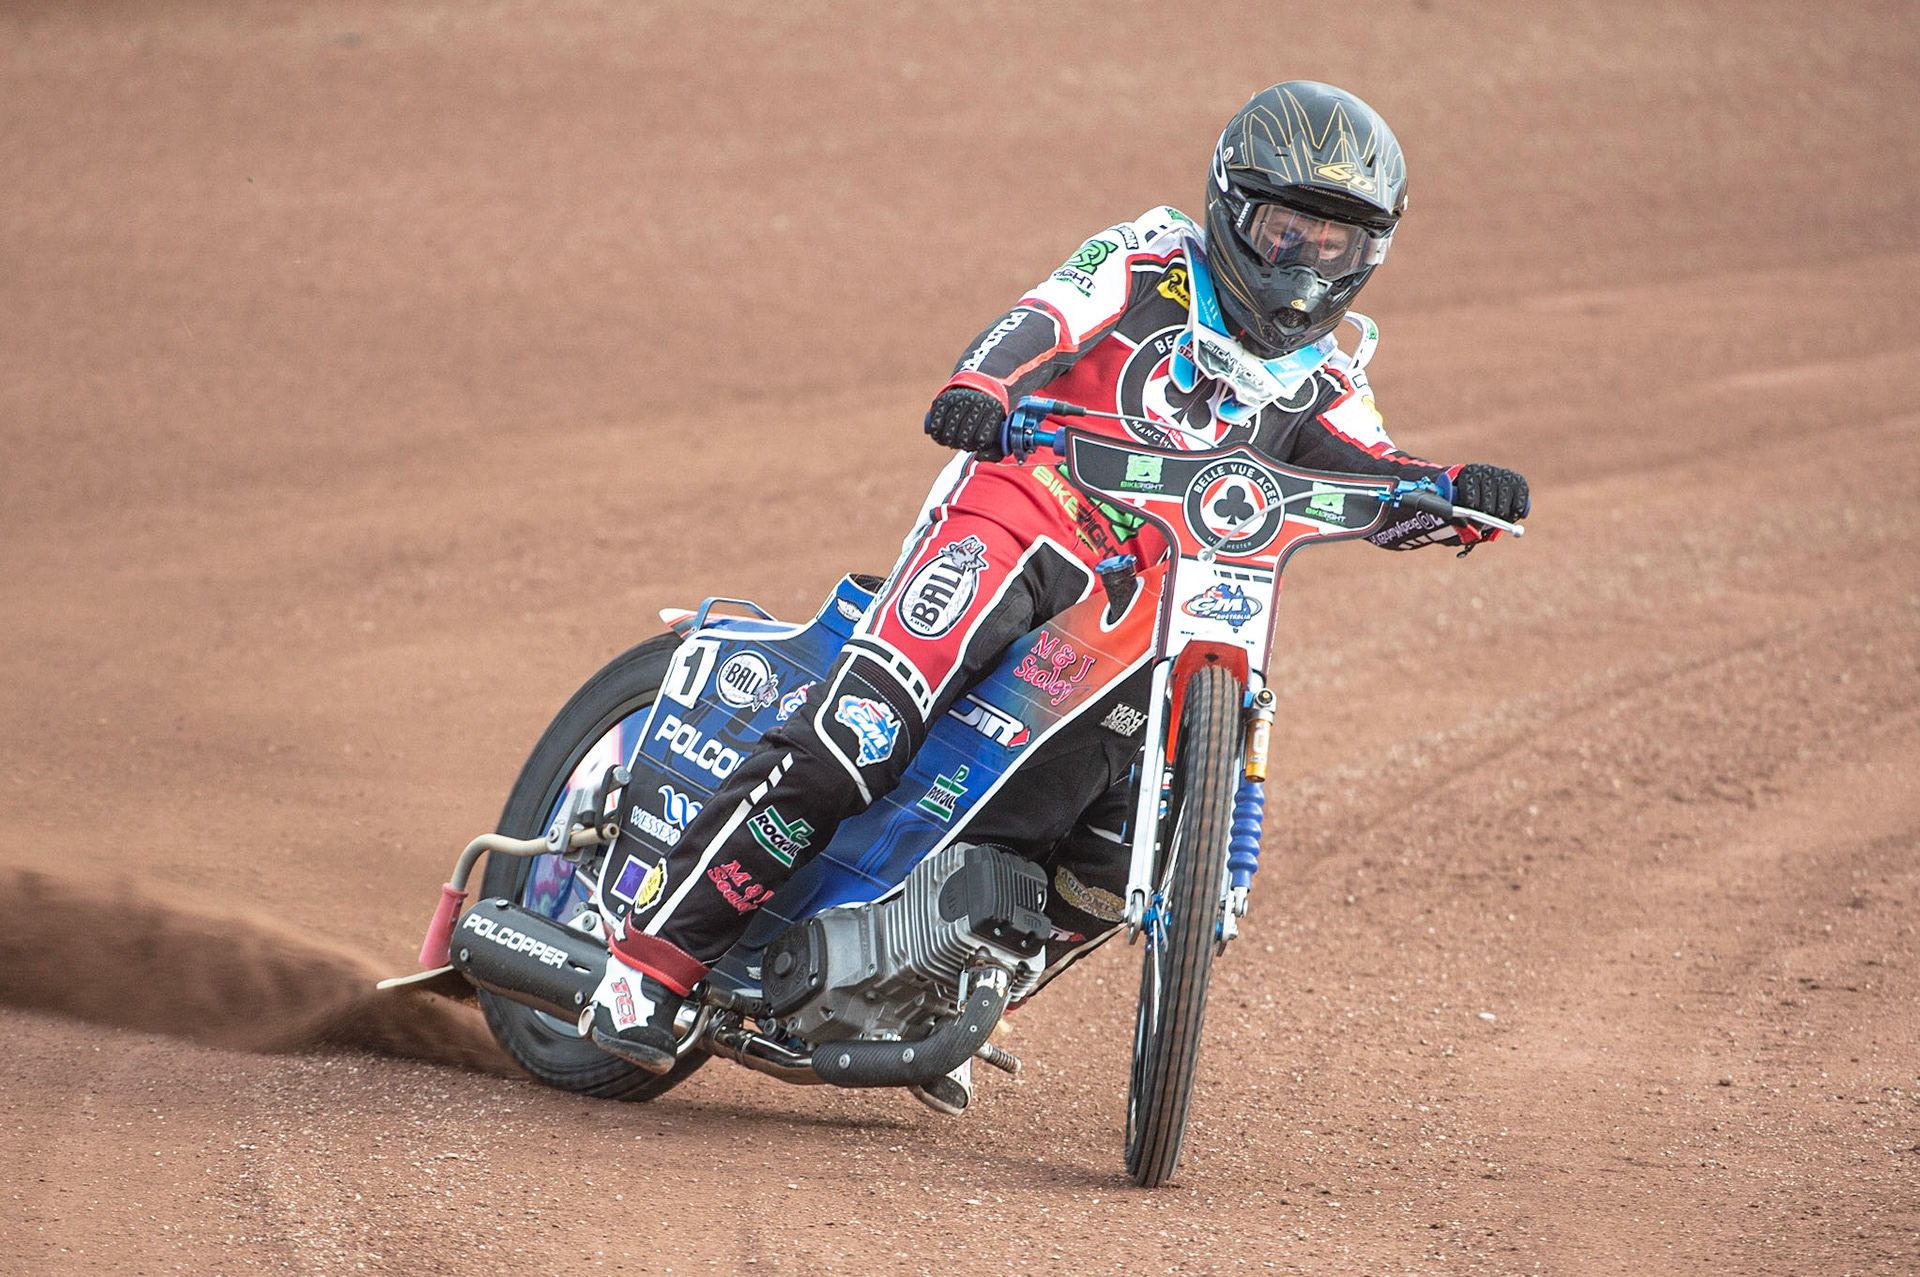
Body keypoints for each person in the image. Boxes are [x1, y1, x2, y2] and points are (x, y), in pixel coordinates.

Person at [583, 81, 1530, 1082]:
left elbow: (1369, 472)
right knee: (863, 728)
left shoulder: (1325, 378)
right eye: (1288, 227)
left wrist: (1451, 493)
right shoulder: (1152, 257)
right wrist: (981, 390)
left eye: (1335, 242)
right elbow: (1045, 318)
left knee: (1120, 841)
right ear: (1232, 204)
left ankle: (933, 977)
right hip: (1024, 512)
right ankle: (651, 961)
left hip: (1154, 595)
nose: (1306, 259)